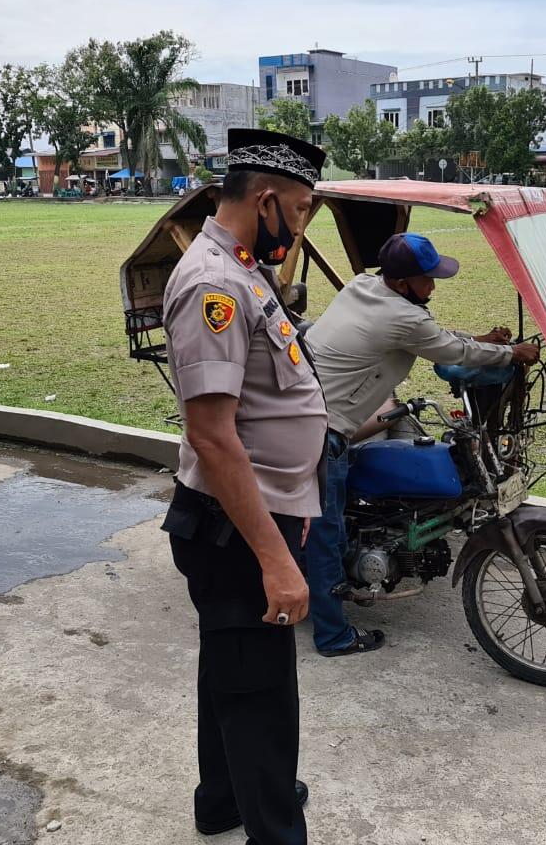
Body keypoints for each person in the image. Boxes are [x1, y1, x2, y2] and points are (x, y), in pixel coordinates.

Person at [160, 128, 328, 845]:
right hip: (236, 529)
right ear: (265, 200)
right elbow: (213, 436)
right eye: (301, 210)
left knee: (229, 671)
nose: (303, 224)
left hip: (257, 512)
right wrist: (276, 558)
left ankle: (222, 799)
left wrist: (301, 502)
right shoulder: (213, 284)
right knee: (262, 696)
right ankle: (272, 825)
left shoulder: (243, 266)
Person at [303, 232, 541, 657]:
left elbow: (435, 334)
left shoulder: (364, 284)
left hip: (313, 407)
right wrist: (510, 353)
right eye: (426, 279)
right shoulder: (403, 317)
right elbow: (447, 349)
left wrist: (484, 338)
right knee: (326, 532)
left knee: (343, 515)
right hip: (319, 428)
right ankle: (332, 635)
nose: (433, 286)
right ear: (401, 282)